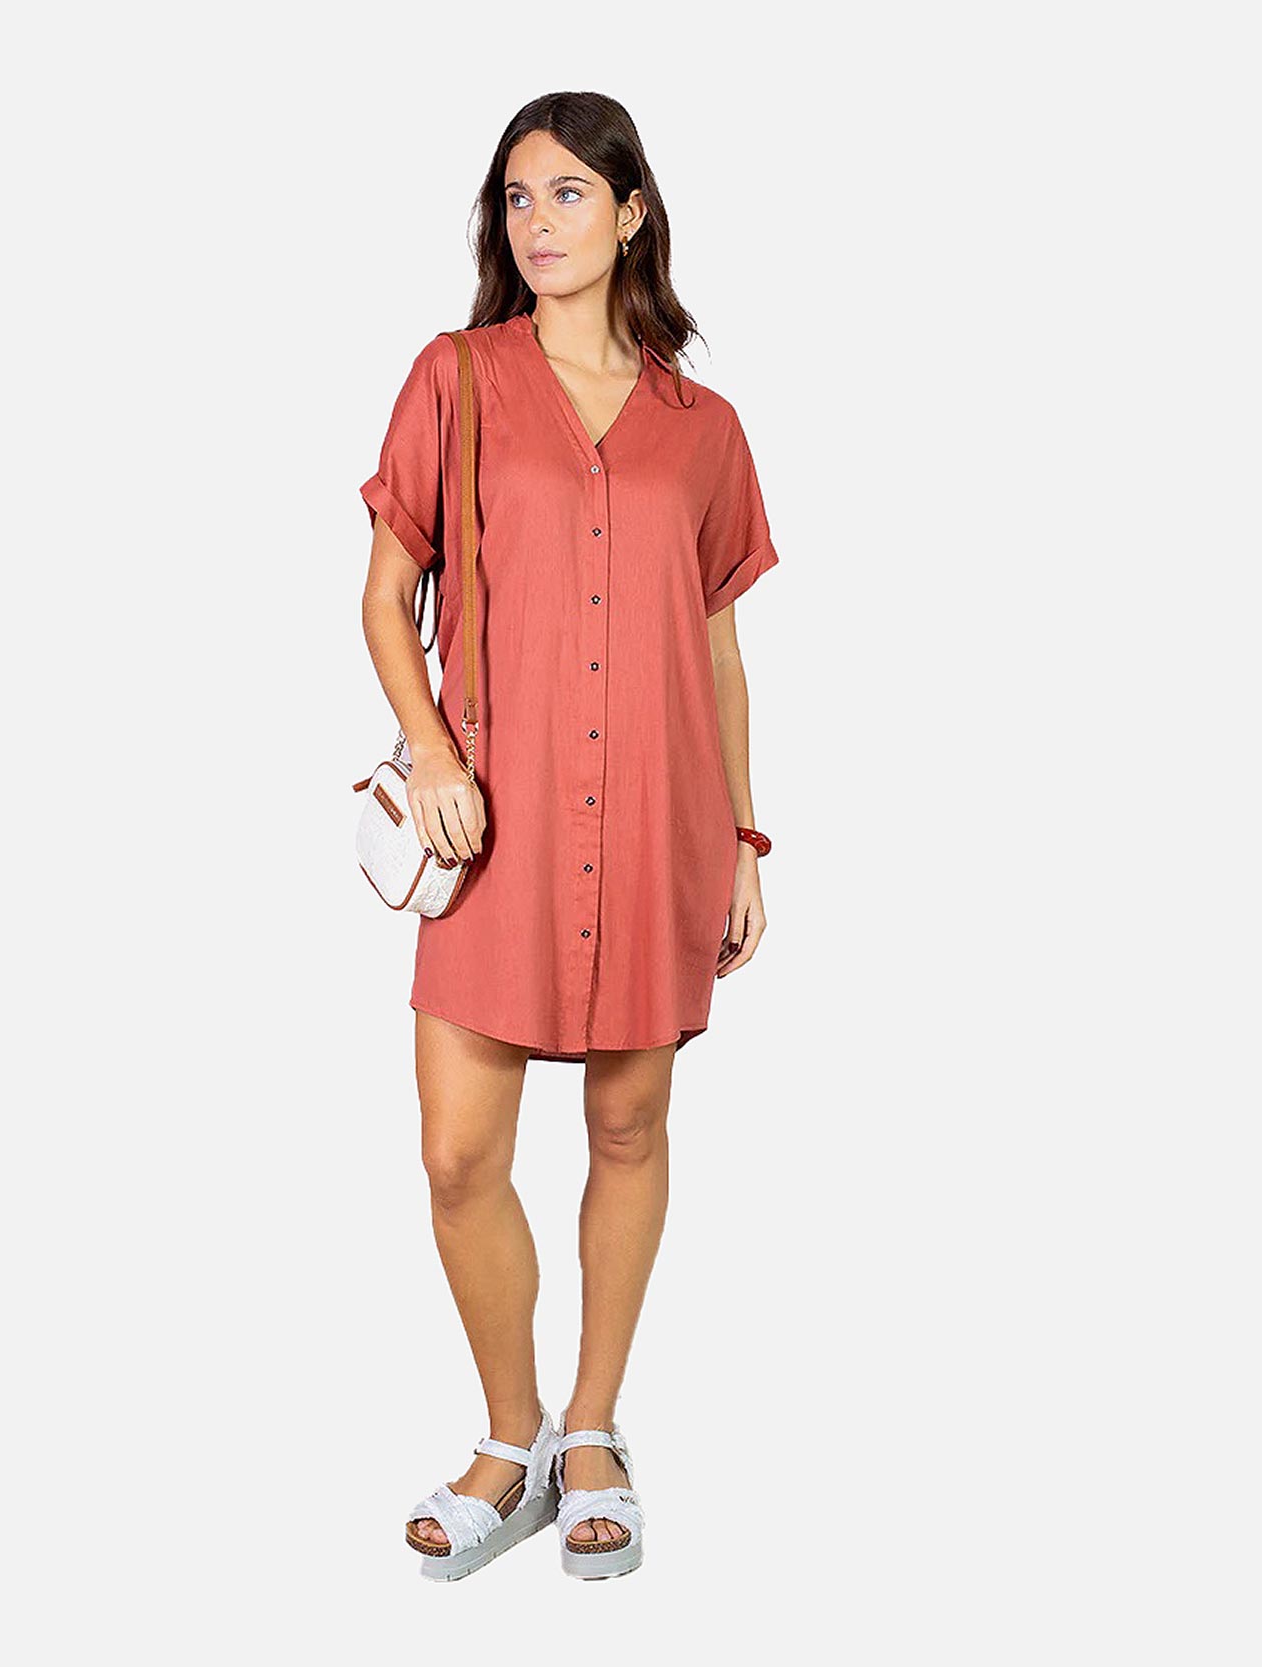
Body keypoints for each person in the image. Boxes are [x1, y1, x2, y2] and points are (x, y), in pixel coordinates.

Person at [357, 91, 780, 1582]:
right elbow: (384, 594)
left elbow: (717, 651)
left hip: (659, 822)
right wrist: (432, 748)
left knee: (627, 1128)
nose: (538, 223)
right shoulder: (457, 380)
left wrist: (742, 838)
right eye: (516, 199)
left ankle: (591, 1430)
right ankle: (510, 1434)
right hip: (496, 828)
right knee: (458, 1153)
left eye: (568, 194)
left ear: (633, 212)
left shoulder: (703, 430)